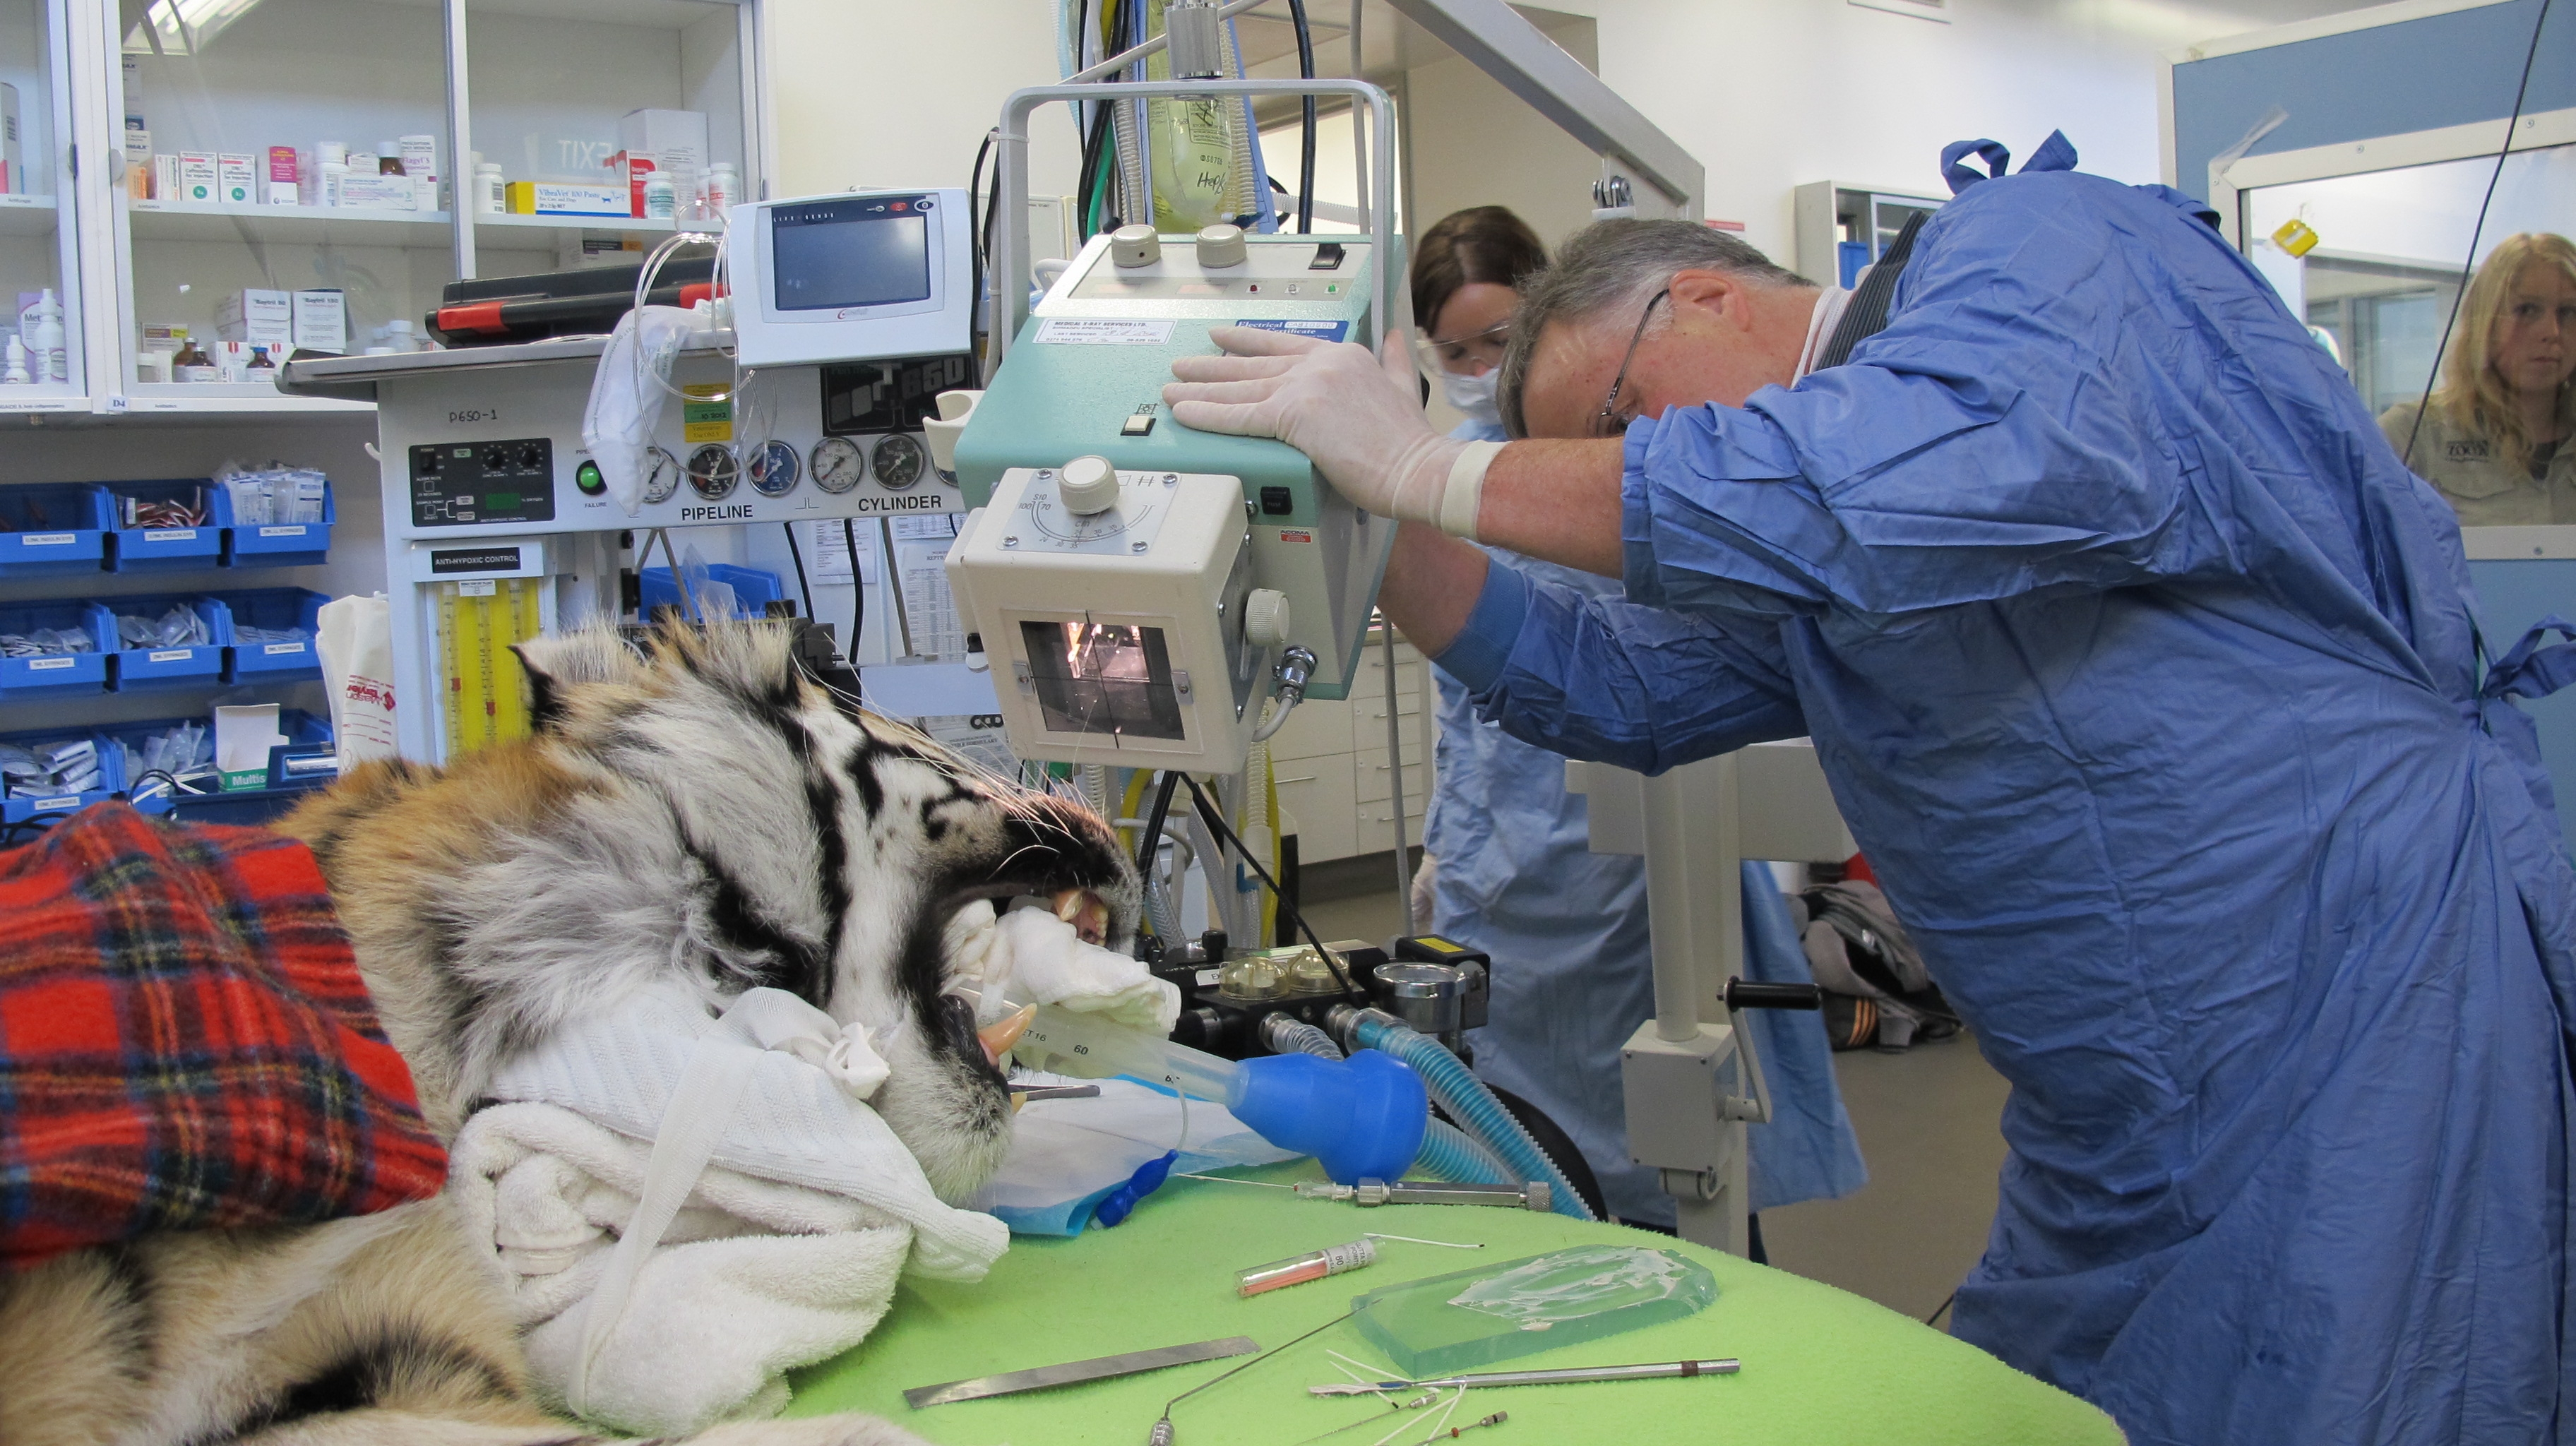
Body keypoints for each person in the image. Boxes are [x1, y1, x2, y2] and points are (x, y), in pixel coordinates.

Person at [1165, 136, 2576, 1443]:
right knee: (2052, 1411)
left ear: (1703, 297)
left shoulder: (2034, 249)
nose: (1630, 470)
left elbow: (1890, 482)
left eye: (1620, 423)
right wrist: (1369, 513)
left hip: (2363, 1020)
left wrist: (1431, 459)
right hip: (2119, 1124)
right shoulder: (1809, 534)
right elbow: (1612, 679)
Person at [1405, 206, 1664, 1226]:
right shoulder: (1445, 476)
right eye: (1454, 353)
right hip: (1494, 855)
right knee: (1512, 1134)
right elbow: (1457, 702)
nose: (1479, 370)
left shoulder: (1602, 461)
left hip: (1619, 851)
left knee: (1657, 1132)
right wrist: (1443, 842)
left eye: (1498, 340)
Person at [2380, 232, 2576, 524]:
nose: (2552, 332)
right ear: (2485, 322)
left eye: (2568, 312)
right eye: (2527, 310)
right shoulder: (2414, 435)